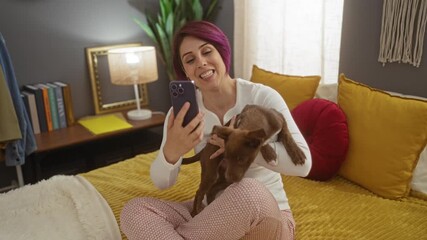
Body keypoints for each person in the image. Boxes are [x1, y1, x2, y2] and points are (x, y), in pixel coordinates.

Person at [120, 20, 312, 240]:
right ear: (185, 71)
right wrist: (171, 151)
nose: (200, 62)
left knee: (247, 190)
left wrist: (242, 147)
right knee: (135, 211)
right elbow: (162, 182)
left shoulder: (262, 96)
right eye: (190, 60)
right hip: (210, 213)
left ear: (222, 52)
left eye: (207, 52)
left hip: (265, 214)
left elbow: (304, 165)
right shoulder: (184, 113)